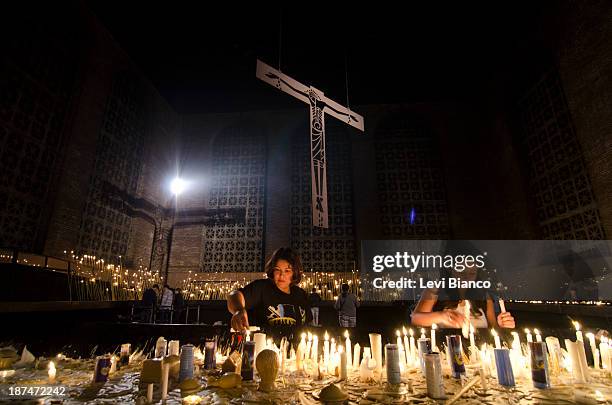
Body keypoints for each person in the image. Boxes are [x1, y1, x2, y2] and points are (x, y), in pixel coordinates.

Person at [227, 247, 312, 334]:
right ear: (272, 270)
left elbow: (308, 324)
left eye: (287, 271)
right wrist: (238, 310)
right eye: (277, 270)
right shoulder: (262, 288)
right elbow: (234, 295)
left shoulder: (300, 294)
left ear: (294, 272)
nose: (281, 275)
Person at [410, 261, 515, 329]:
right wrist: (441, 316)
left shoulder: (484, 295)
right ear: (451, 270)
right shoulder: (436, 288)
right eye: (461, 272)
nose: (466, 278)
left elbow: (493, 328)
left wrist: (502, 325)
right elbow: (415, 318)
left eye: (471, 274)